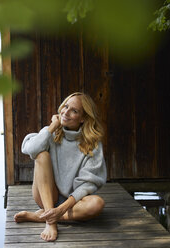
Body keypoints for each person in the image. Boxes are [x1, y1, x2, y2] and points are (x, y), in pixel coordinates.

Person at [13, 92, 107, 242]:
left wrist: (61, 209)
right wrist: (52, 127)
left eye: (74, 111)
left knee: (97, 204)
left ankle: (41, 216)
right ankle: (51, 222)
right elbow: (31, 150)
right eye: (66, 106)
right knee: (41, 155)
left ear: (83, 118)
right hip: (46, 195)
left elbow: (88, 184)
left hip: (73, 203)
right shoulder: (50, 133)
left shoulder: (92, 144)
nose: (66, 112)